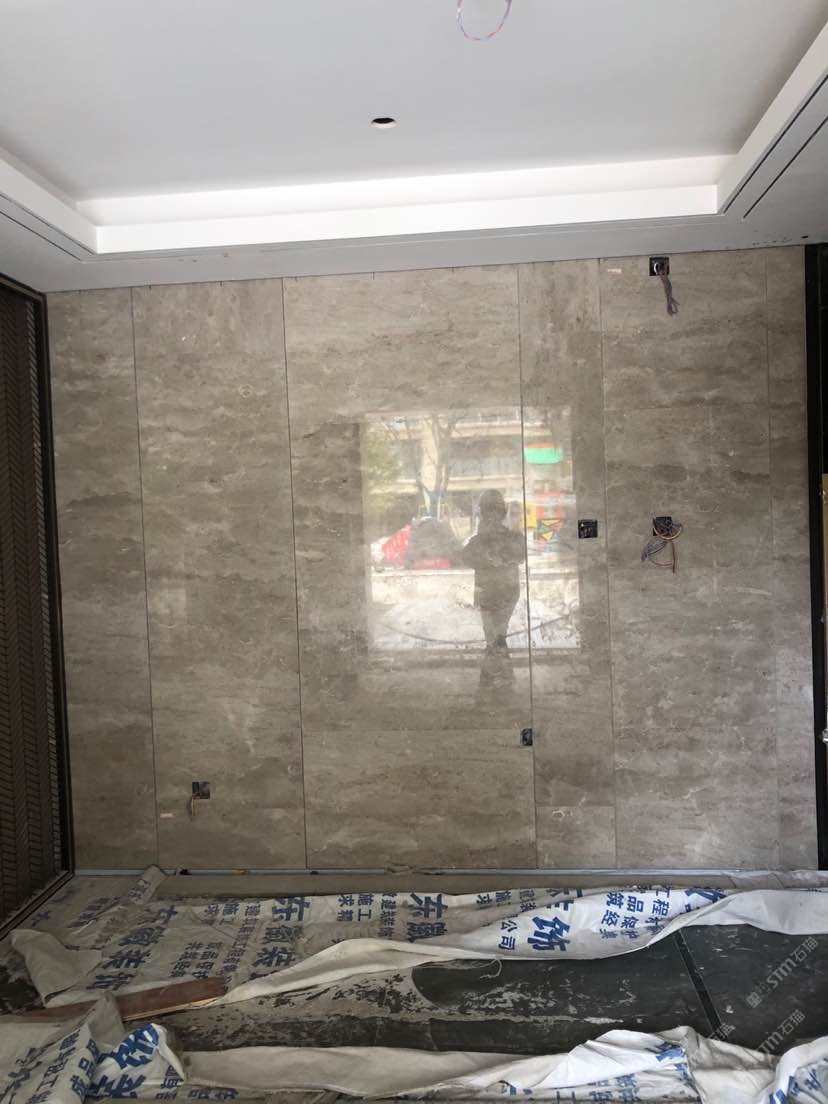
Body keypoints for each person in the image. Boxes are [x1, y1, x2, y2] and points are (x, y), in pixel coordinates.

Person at [461, 490, 525, 654]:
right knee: (498, 636)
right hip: (505, 591)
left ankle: (496, 662)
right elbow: (520, 554)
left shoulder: (482, 538)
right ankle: (499, 661)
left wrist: (490, 558)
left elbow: (465, 556)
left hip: (489, 592)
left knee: (493, 639)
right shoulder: (509, 536)